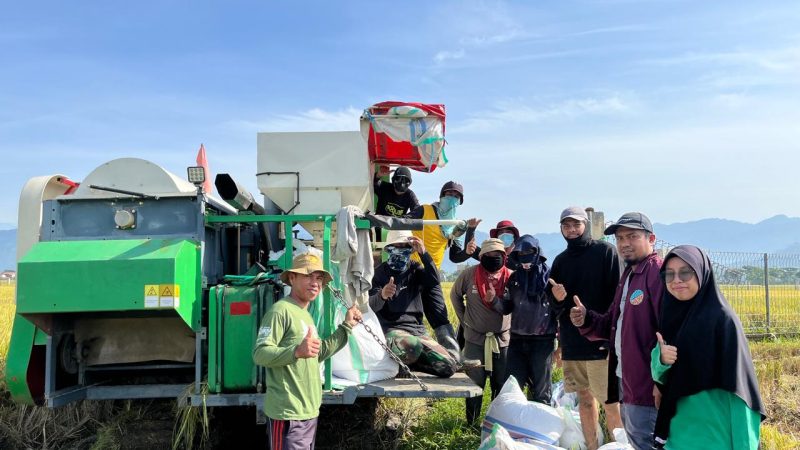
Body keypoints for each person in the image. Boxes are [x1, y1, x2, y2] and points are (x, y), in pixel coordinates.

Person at [651, 245, 765, 449]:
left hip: (715, 435)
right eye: (669, 274)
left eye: (685, 272)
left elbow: (740, 390)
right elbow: (660, 375)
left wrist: (745, 445)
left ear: (702, 273)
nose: (676, 280)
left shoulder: (722, 321)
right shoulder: (671, 316)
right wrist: (661, 360)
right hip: (678, 434)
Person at [571, 212, 663, 449]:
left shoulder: (657, 275)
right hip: (628, 380)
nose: (624, 244)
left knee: (646, 442)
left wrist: (662, 381)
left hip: (648, 386)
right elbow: (612, 323)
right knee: (636, 441)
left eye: (632, 236)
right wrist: (586, 319)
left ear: (651, 238)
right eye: (620, 238)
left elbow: (669, 333)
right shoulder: (630, 276)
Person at [253, 253, 362, 450]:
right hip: (287, 415)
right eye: (308, 276)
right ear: (292, 278)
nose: (315, 283)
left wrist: (346, 326)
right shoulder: (281, 311)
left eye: (319, 278)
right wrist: (295, 351)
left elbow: (317, 353)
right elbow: (260, 353)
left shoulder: (305, 314)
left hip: (308, 412)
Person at [548, 206, 623, 450]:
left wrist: (613, 340)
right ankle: (591, 447)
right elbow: (555, 308)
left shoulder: (605, 253)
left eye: (576, 225)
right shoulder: (560, 261)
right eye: (566, 226)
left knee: (610, 403)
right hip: (572, 342)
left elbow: (617, 297)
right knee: (584, 399)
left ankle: (619, 447)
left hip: (600, 343)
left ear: (585, 225)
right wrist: (558, 298)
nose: (571, 230)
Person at [368, 230, 460, 378]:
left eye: (406, 246)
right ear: (389, 248)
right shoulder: (379, 274)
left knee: (449, 367)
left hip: (417, 332)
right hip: (392, 330)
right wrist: (382, 295)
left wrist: (424, 253)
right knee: (408, 345)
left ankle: (411, 364)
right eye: (397, 246)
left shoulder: (415, 269)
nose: (402, 249)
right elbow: (371, 305)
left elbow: (434, 280)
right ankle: (407, 361)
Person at [450, 238, 513, 425]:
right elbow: (454, 296)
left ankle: (497, 424)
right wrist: (465, 321)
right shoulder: (469, 274)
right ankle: (472, 423)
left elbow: (516, 306)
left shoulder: (511, 276)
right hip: (474, 340)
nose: (493, 258)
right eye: (489, 255)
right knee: (474, 384)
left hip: (502, 342)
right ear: (481, 256)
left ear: (504, 257)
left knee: (500, 384)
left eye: (497, 255)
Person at [504, 234, 557, 404]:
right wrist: (494, 301)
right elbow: (507, 307)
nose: (525, 259)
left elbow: (559, 309)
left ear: (538, 253)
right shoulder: (514, 279)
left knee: (541, 389)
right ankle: (517, 426)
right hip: (517, 340)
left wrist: (561, 344)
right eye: (520, 254)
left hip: (543, 340)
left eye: (529, 253)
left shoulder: (549, 279)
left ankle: (541, 426)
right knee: (514, 387)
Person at [406, 181, 480, 269]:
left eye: (456, 197)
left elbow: (454, 257)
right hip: (412, 266)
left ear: (459, 201)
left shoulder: (456, 225)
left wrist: (467, 253)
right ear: (442, 196)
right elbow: (403, 221)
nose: (452, 198)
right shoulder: (424, 210)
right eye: (449, 194)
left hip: (432, 272)